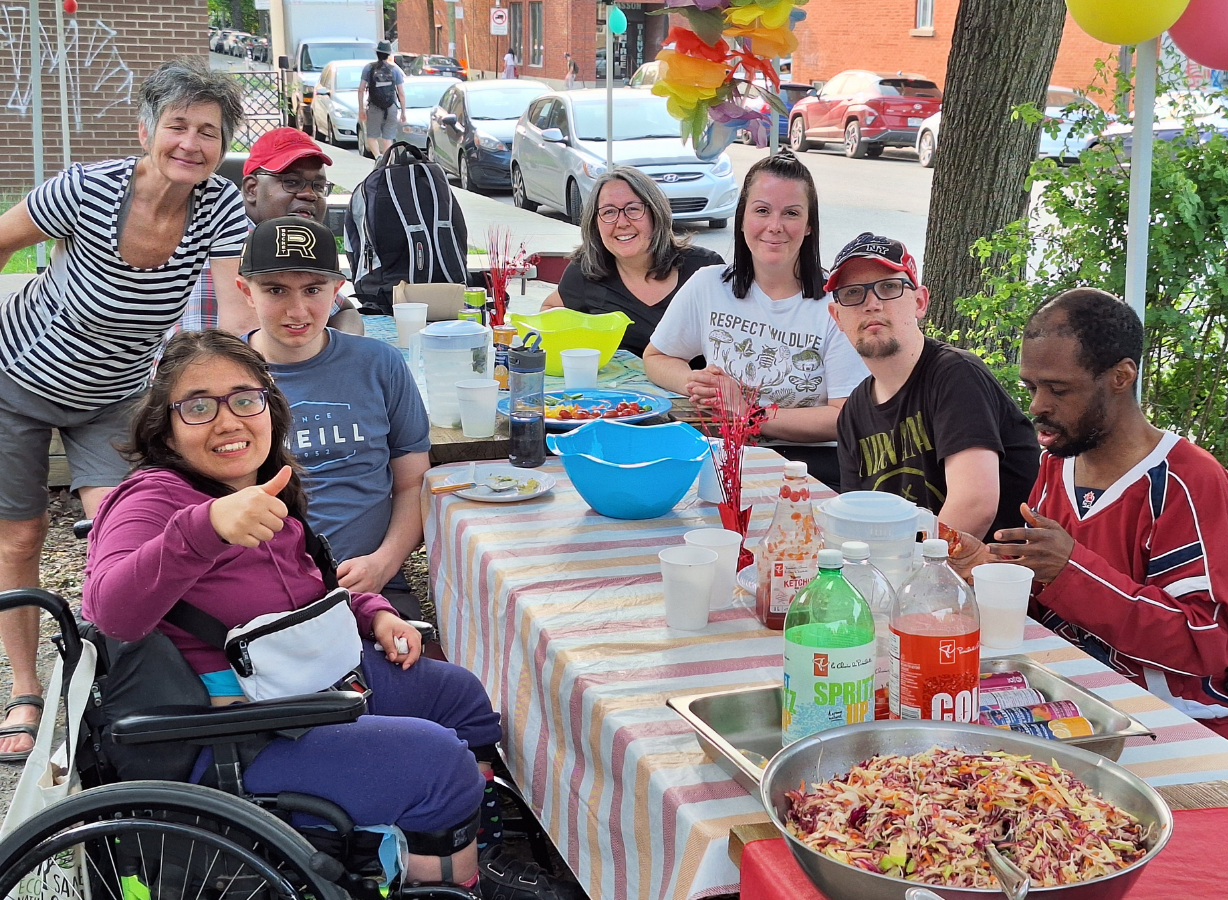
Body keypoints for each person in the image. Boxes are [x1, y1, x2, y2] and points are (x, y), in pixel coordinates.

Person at [80, 330, 507, 889]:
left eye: (245, 399)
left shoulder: (266, 486)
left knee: (458, 695)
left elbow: (306, 592)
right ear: (165, 425)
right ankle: (446, 872)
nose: (228, 420)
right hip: (229, 731)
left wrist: (374, 612)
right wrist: (205, 529)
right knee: (438, 763)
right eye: (198, 406)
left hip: (297, 680)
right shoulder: (155, 498)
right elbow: (110, 609)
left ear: (270, 408)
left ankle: (462, 834)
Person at [0, 59, 248, 763]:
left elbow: (230, 310)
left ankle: (113, 675)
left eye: (209, 132)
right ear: (148, 130)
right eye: (178, 126)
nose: (191, 144)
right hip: (16, 378)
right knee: (18, 540)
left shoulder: (219, 207)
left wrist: (235, 391)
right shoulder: (85, 190)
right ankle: (25, 689)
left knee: (127, 538)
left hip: (116, 392)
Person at [951, 288, 1228, 746]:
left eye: (1058, 389)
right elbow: (1047, 596)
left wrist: (1071, 570)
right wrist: (990, 572)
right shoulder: (1056, 462)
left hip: (1169, 716)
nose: (1036, 407)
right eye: (1031, 387)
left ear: (1120, 376)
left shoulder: (1188, 482)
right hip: (1060, 695)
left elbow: (1207, 641)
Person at [238, 216, 431, 622]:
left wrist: (385, 562)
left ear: (337, 291)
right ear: (246, 292)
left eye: (313, 290)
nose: (297, 309)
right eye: (275, 290)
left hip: (372, 582)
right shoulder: (223, 377)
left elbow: (414, 482)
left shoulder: (380, 364)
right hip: (257, 587)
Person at [644, 152, 867, 490]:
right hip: (725, 457)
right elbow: (657, 357)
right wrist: (699, 383)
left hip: (810, 469)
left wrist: (749, 413)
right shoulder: (709, 284)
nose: (774, 226)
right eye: (762, 210)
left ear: (809, 226)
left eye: (791, 213)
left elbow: (844, 417)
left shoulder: (836, 305)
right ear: (742, 218)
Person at [828, 232, 1039, 540]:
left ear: (920, 302)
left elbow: (974, 506)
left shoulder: (955, 375)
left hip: (991, 574)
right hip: (906, 571)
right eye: (852, 293)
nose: (871, 303)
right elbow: (855, 523)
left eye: (888, 287)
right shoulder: (853, 414)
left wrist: (903, 576)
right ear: (837, 317)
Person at [182, 127, 363, 337]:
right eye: (292, 182)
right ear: (252, 189)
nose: (309, 194)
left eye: (318, 186)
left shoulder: (292, 243)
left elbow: (345, 311)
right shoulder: (223, 245)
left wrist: (341, 352)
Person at [542, 167, 723, 358]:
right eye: (609, 212)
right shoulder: (587, 270)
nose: (621, 222)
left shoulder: (706, 268)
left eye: (633, 209)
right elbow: (549, 311)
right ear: (595, 222)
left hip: (695, 387)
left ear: (655, 213)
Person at [358, 41, 407, 159]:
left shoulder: (368, 68)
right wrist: (403, 112)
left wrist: (361, 109)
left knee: (371, 136)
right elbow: (401, 93)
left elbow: (361, 90)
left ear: (377, 53)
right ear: (388, 54)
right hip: (391, 107)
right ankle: (386, 160)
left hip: (374, 107)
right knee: (388, 137)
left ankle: (377, 157)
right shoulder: (395, 70)